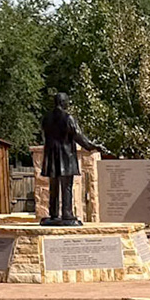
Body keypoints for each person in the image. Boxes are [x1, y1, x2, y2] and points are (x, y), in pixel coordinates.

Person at [39, 92, 105, 226]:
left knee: (54, 185)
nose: (68, 104)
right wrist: (92, 146)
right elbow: (78, 135)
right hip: (65, 155)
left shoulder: (47, 118)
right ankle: (67, 214)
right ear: (63, 102)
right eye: (67, 101)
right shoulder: (68, 118)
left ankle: (53, 213)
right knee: (67, 186)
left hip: (52, 155)